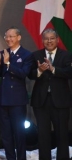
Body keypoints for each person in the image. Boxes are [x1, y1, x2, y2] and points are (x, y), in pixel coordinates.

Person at [28, 28, 72, 160]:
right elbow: (30, 74)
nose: (49, 41)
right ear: (42, 41)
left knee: (62, 134)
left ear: (57, 40)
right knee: (43, 135)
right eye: (46, 38)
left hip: (61, 101)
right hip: (41, 101)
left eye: (52, 38)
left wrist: (53, 69)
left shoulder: (66, 55)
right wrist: (39, 71)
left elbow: (69, 72)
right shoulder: (36, 55)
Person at [0, 27, 33, 160]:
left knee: (19, 133)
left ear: (19, 37)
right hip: (3, 100)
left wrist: (8, 63)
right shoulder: (4, 53)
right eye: (6, 36)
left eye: (11, 36)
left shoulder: (27, 55)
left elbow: (23, 74)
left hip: (17, 101)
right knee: (6, 134)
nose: (8, 39)